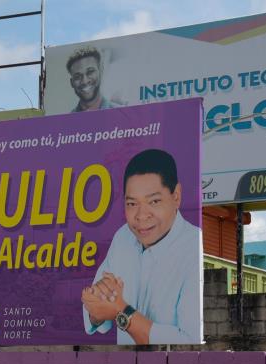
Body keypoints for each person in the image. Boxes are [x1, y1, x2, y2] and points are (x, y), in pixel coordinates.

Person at [81, 149, 202, 345]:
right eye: (131, 203)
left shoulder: (194, 246)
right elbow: (97, 313)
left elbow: (188, 343)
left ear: (176, 196)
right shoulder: (123, 237)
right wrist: (96, 307)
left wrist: (121, 310)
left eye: (154, 201)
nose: (141, 215)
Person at [66, 47, 113, 112]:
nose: (85, 81)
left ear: (101, 71)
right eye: (77, 77)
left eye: (90, 72)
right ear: (72, 83)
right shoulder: (67, 121)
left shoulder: (121, 113)